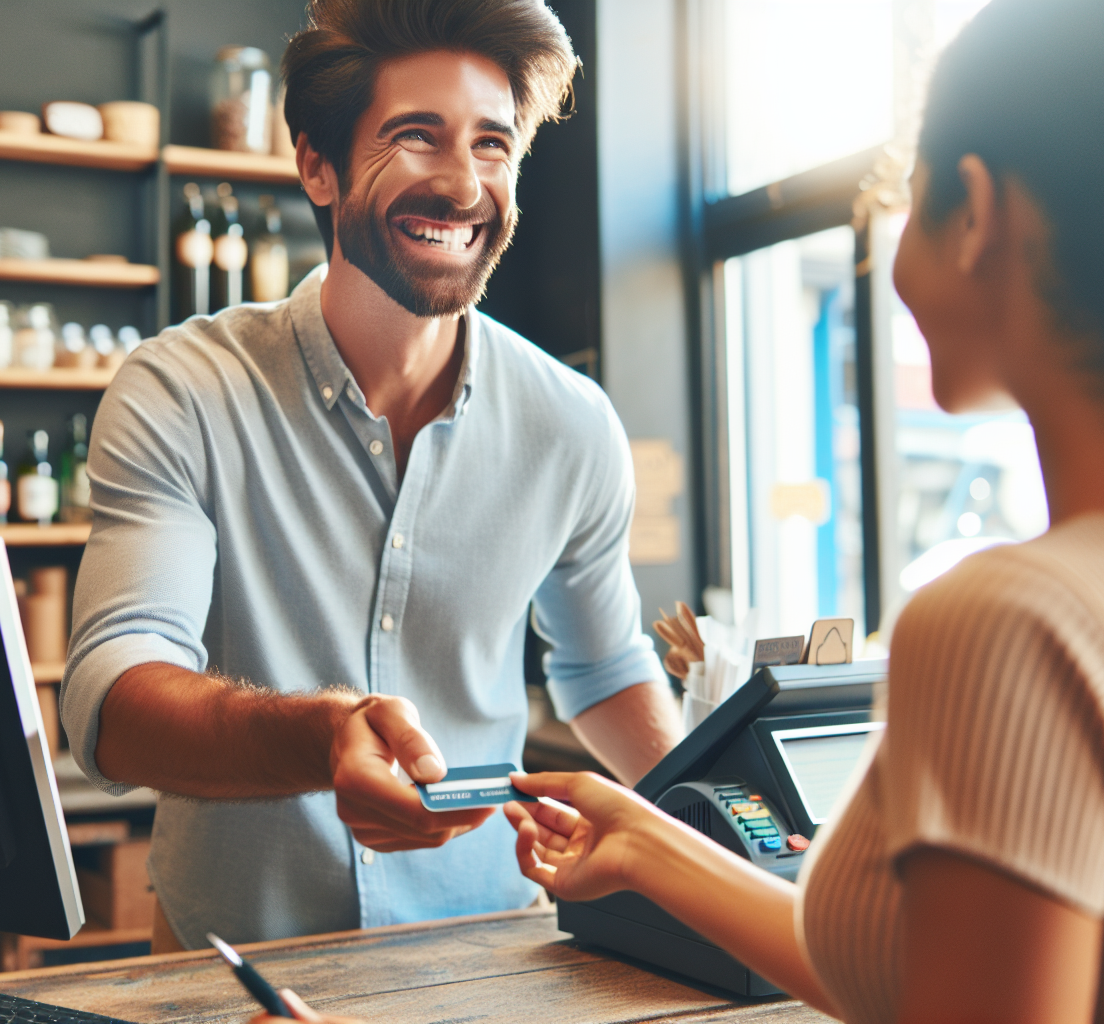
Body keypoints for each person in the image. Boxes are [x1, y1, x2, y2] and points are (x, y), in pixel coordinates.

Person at [249, 0, 1104, 1020]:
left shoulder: (1018, 625)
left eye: (908, 190)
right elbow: (917, 975)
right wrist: (645, 844)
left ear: (974, 214)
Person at [62, 0, 682, 952]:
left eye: (492, 144)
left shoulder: (572, 423)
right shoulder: (183, 389)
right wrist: (324, 735)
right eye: (415, 137)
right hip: (239, 967)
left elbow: (601, 670)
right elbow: (112, 701)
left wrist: (726, 825)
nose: (464, 183)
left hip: (492, 959)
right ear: (317, 162)